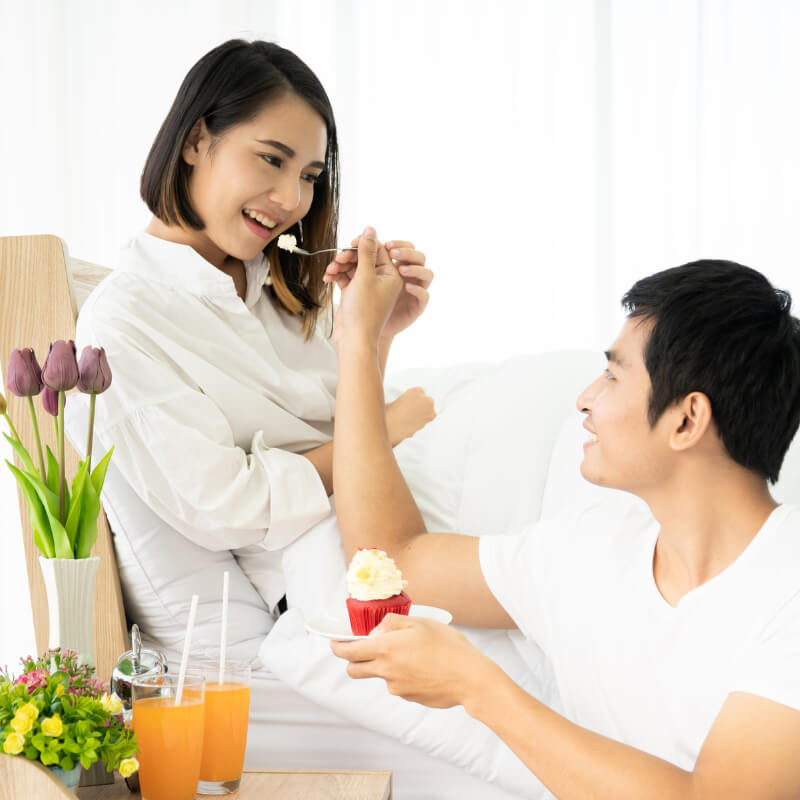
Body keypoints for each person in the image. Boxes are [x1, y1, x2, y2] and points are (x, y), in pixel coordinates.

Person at [330, 233, 800, 798]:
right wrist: (362, 342)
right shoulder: (591, 549)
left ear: (686, 420)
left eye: (613, 375)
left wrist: (477, 686)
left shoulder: (785, 590)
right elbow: (391, 559)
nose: (584, 398)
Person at [73, 40, 435, 613]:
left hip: (396, 506)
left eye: (310, 175)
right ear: (195, 141)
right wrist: (385, 431)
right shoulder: (123, 324)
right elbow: (226, 507)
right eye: (271, 159)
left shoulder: (285, 287)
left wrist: (374, 335)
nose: (293, 200)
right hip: (334, 565)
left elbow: (345, 420)